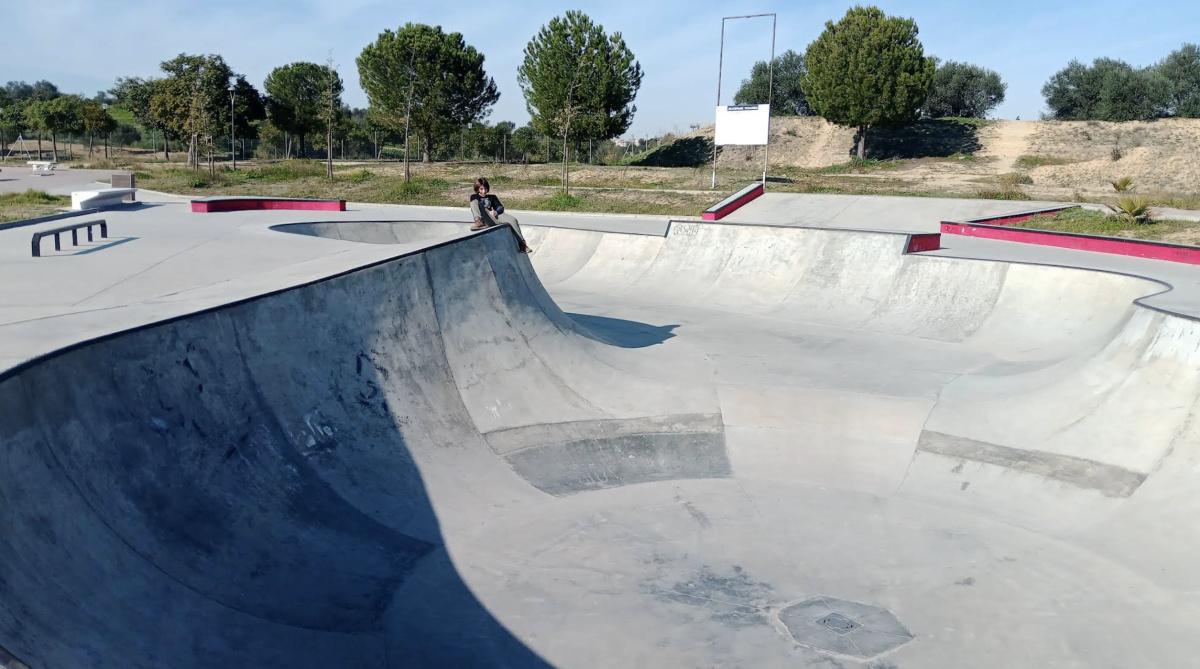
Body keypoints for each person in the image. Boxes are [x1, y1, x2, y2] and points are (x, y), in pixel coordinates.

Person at [469, 177, 530, 253]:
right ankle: (478, 221)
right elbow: (474, 205)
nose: (484, 191)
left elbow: (501, 207)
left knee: (513, 220)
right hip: (484, 219)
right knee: (474, 202)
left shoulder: (493, 197)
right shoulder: (474, 197)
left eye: (485, 189)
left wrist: (496, 212)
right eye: (481, 189)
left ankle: (522, 244)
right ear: (478, 189)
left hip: (494, 218)